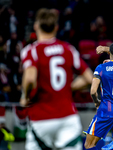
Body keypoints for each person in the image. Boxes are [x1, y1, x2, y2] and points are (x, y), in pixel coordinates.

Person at [20, 8, 93, 150]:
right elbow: (90, 79)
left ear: (36, 26)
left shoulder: (32, 50)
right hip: (67, 118)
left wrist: (25, 96)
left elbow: (30, 79)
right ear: (56, 28)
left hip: (41, 119)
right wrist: (68, 87)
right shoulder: (68, 49)